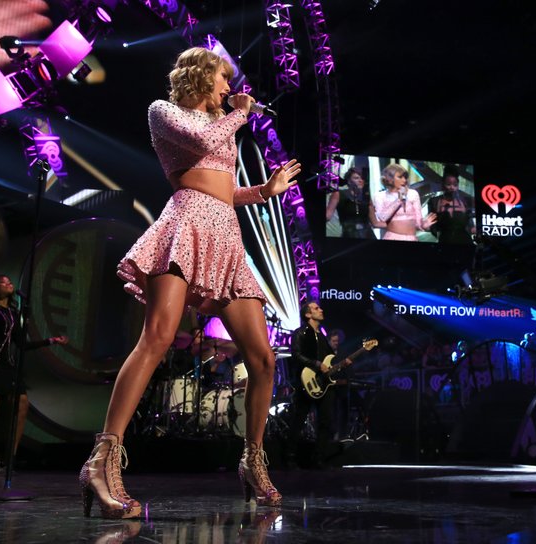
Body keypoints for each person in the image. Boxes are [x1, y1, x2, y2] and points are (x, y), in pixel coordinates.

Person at [78, 47, 300, 518]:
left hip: (225, 232)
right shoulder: (166, 113)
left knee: (262, 357)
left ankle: (253, 459)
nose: (229, 88)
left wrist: (262, 192)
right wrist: (239, 115)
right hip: (185, 225)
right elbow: (199, 149)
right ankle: (102, 458)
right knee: (157, 337)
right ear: (201, 76)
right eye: (223, 79)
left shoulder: (223, 123)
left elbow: (222, 184)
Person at [0, 275, 67, 476]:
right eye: (2, 282)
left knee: (21, 402)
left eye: (9, 281)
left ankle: (9, 459)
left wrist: (51, 340)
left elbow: (21, 344)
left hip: (4, 366)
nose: (8, 283)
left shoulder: (13, 313)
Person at [287, 302, 350, 468]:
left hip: (324, 383)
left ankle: (319, 458)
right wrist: (316, 364)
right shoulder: (299, 333)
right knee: (299, 419)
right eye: (316, 308)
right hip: (305, 382)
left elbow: (330, 360)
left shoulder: (322, 337)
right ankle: (290, 456)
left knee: (325, 421)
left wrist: (342, 364)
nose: (321, 309)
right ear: (308, 315)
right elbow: (296, 355)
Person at [369, 163, 436, 241]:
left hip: (411, 238)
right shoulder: (380, 196)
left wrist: (423, 225)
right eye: (400, 177)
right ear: (389, 179)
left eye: (405, 177)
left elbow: (418, 223)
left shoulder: (413, 194)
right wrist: (399, 199)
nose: (404, 180)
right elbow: (383, 218)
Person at [426, 165, 475, 244]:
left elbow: (470, 224)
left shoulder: (465, 201)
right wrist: (438, 234)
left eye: (455, 185)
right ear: (443, 184)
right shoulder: (434, 201)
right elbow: (432, 225)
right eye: (448, 184)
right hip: (445, 242)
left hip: (465, 242)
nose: (452, 187)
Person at [325, 167, 375, 239]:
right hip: (350, 235)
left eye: (362, 178)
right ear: (349, 181)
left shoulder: (367, 197)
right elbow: (327, 216)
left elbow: (375, 223)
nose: (360, 180)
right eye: (356, 178)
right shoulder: (338, 194)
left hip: (368, 235)